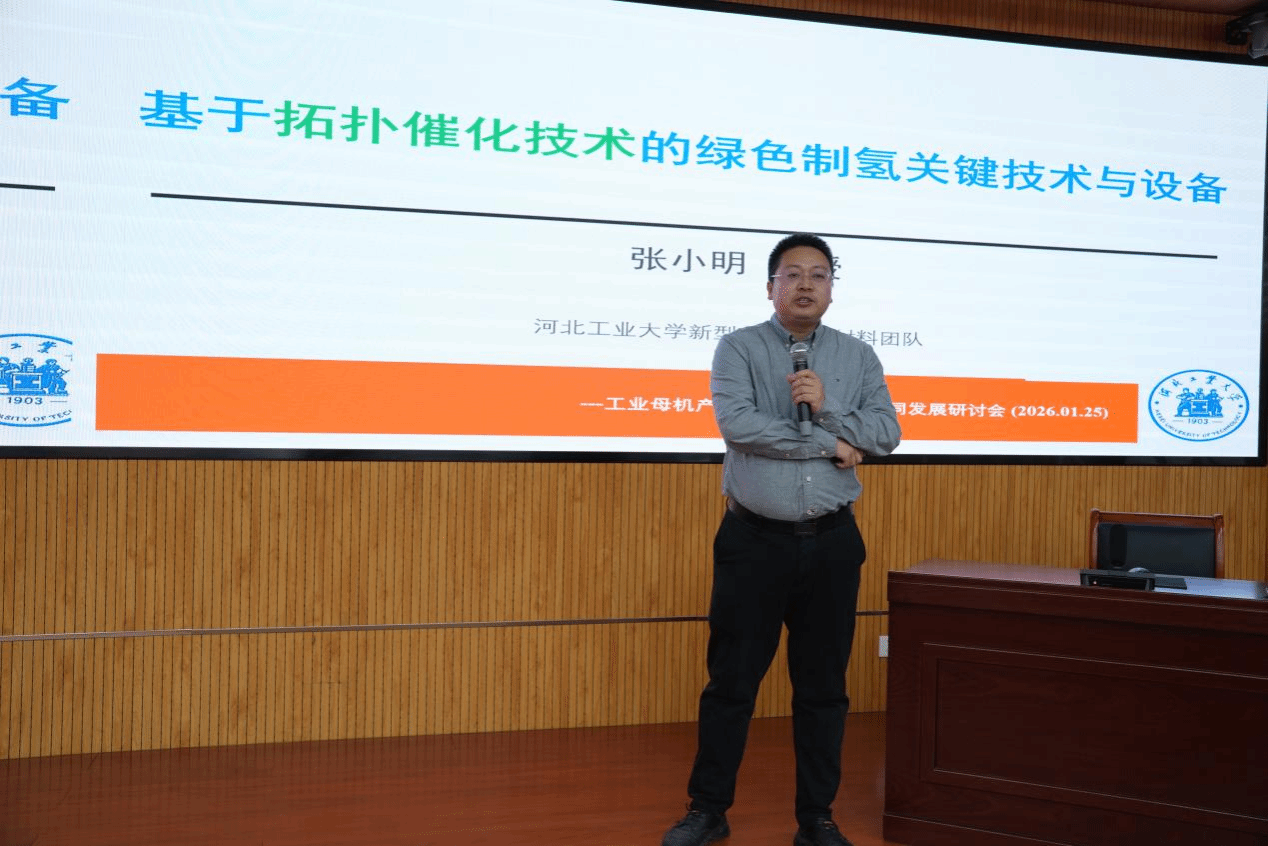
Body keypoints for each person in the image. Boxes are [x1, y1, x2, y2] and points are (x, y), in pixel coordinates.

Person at [661, 233, 901, 846]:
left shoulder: (858, 356)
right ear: (770, 286)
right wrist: (835, 445)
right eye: (792, 274)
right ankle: (708, 810)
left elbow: (886, 434)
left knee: (823, 691)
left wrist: (829, 408)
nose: (805, 284)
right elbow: (739, 426)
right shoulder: (738, 348)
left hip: (833, 544)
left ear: (831, 288)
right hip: (753, 543)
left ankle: (816, 819)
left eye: (818, 275)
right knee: (731, 684)